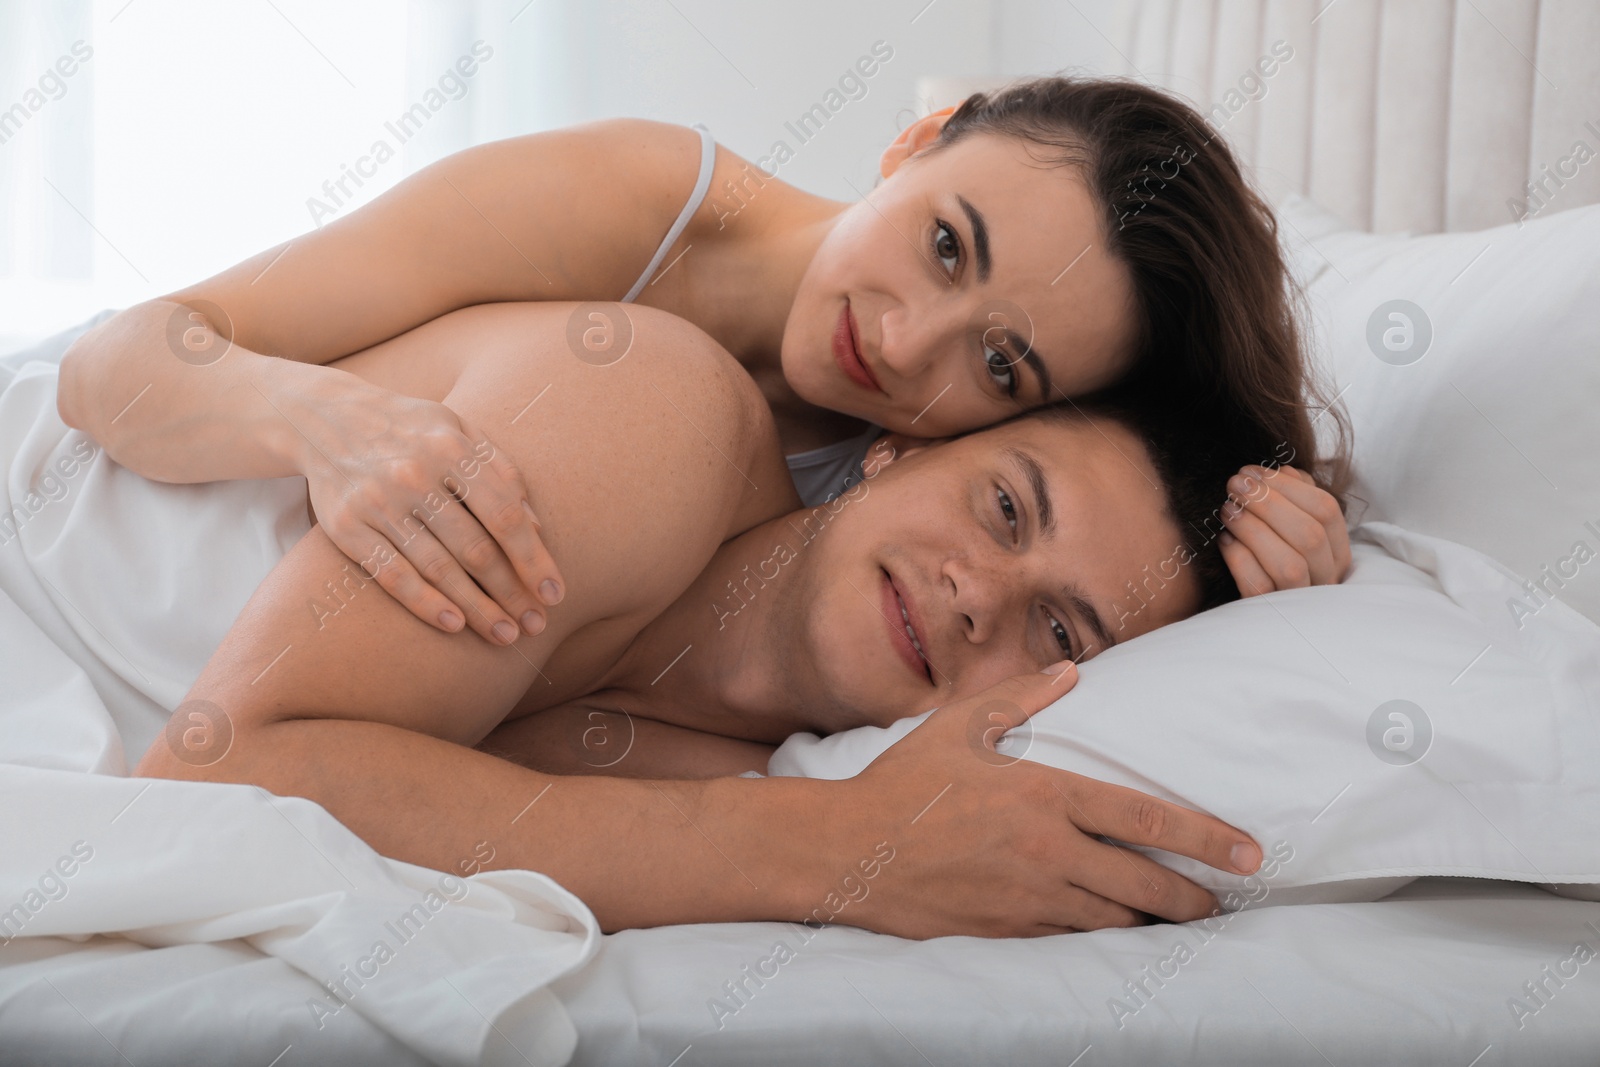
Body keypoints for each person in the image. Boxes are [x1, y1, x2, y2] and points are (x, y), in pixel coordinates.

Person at [135, 300, 1344, 940]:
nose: (979, 592)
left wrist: (1285, 641)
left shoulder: (723, 768)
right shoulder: (651, 410)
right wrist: (830, 850)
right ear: (895, 450)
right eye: (1003, 507)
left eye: (1064, 636)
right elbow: (217, 771)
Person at [58, 76, 1351, 653]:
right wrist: (326, 424)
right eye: (948, 245)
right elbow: (119, 360)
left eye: (1003, 366)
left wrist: (1271, 543)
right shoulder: (630, 199)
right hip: (86, 502)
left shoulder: (919, 488)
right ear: (918, 140)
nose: (904, 342)